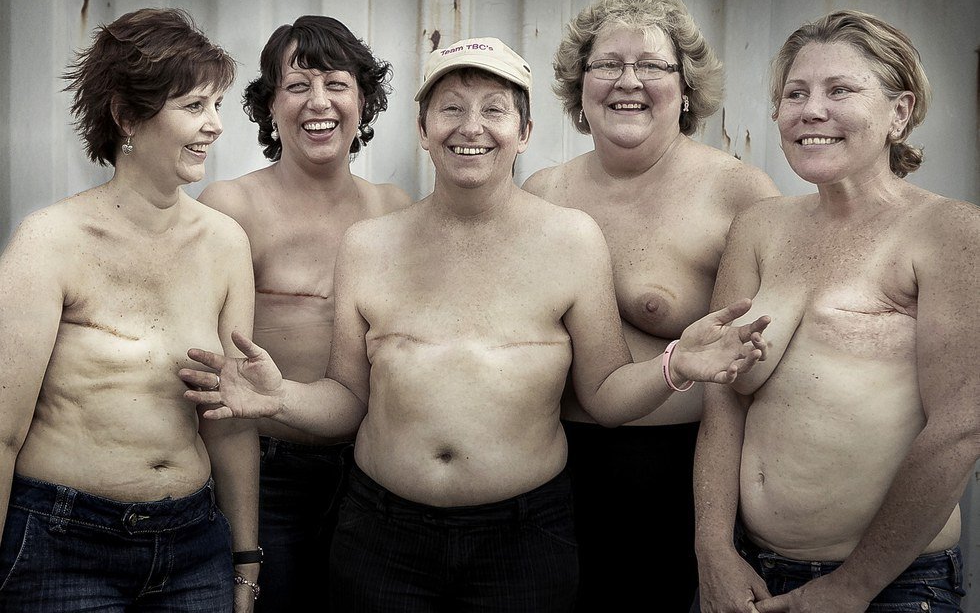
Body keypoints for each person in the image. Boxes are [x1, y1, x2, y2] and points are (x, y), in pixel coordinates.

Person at [180, 36, 771, 613]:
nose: (471, 127)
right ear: (422, 128)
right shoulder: (369, 244)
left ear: (525, 131)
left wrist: (675, 364)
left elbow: (604, 395)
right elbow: (348, 400)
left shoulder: (571, 239)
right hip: (382, 533)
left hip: (524, 536)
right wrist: (281, 397)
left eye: (494, 110)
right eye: (451, 109)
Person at [692, 10, 978, 613]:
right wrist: (713, 549)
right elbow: (722, 399)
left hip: (891, 586)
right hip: (753, 571)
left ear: (899, 113)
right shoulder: (759, 227)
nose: (811, 110)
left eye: (840, 90)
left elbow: (960, 427)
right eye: (795, 93)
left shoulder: (949, 232)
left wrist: (851, 588)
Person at [523, 0, 779, 611]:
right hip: (545, 472)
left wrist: (717, 535)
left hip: (670, 478)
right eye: (607, 64)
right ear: (580, 86)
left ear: (686, 88)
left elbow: (764, 367)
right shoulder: (542, 190)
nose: (628, 81)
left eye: (652, 66)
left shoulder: (737, 193)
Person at [0, 8, 260, 611]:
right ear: (126, 116)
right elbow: (3, 432)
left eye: (217, 104)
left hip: (194, 546)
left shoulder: (225, 243)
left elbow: (231, 418)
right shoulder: (49, 240)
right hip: (65, 543)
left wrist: (245, 560)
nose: (216, 124)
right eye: (194, 106)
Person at [196, 15, 411, 612]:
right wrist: (243, 546)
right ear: (270, 106)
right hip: (268, 472)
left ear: (364, 102)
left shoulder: (393, 209)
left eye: (337, 84)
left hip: (372, 472)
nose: (318, 102)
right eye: (297, 86)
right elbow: (210, 369)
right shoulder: (232, 205)